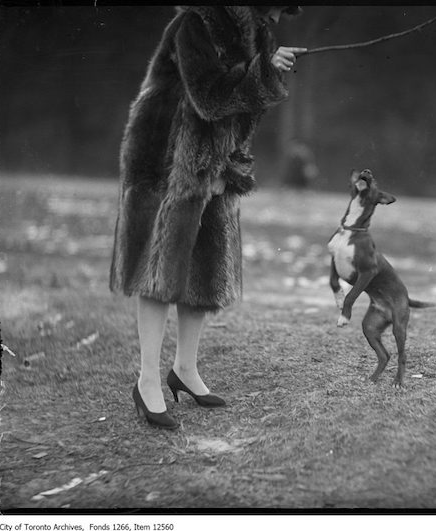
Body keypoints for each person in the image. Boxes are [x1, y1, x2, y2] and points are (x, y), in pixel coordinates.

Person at [110, 6, 306, 429]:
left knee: (204, 267)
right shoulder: (196, 22)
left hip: (214, 161)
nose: (277, 16)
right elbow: (209, 97)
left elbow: (246, 114)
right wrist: (262, 70)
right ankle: (146, 382)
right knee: (160, 268)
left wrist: (230, 166)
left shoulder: (258, 33)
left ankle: (185, 369)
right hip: (166, 159)